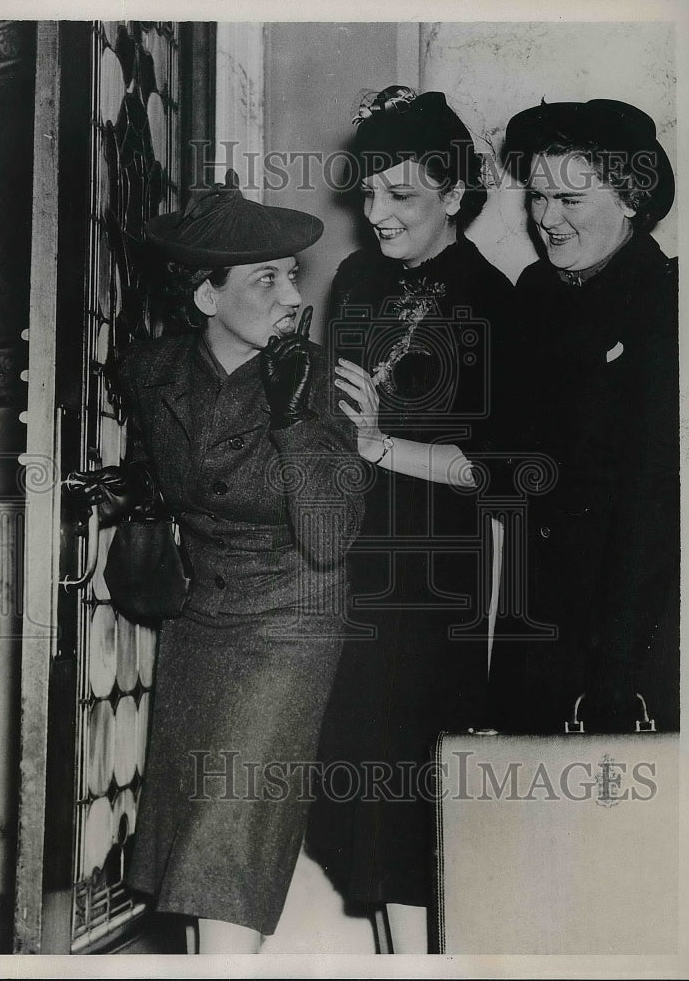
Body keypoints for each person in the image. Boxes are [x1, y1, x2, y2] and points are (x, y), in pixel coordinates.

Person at [71, 170, 364, 953]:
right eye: (264, 278)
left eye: (291, 274)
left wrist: (294, 418)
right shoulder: (153, 373)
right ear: (207, 298)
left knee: (229, 847)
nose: (290, 294)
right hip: (204, 630)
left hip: (288, 630)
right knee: (192, 858)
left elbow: (331, 537)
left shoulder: (317, 387)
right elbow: (150, 449)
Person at [305, 87, 514, 953]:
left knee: (418, 797)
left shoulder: (494, 299)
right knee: (356, 805)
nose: (376, 213)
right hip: (350, 560)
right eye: (369, 194)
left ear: (456, 194)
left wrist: (380, 444)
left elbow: (495, 470)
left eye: (401, 195)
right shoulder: (356, 279)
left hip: (434, 581)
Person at [486, 98, 679, 734]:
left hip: (626, 628)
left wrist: (618, 663)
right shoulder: (534, 294)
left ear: (630, 199)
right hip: (535, 612)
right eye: (538, 198)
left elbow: (653, 502)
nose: (547, 219)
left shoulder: (666, 301)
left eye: (569, 201)